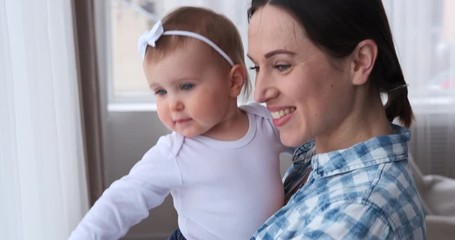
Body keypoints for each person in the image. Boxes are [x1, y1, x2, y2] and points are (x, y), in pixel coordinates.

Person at [69, 6, 286, 240]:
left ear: (233, 81)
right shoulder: (175, 153)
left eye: (186, 86)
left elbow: (316, 143)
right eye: (161, 91)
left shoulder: (265, 124)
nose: (173, 105)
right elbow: (122, 200)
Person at [246, 0, 426, 239]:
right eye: (256, 68)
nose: (259, 93)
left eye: (281, 65)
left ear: (360, 61)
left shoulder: (358, 212)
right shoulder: (316, 161)